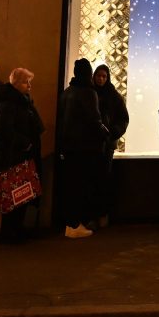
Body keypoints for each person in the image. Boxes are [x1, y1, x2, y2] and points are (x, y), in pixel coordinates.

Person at [0, 67, 44, 245]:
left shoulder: (23, 102)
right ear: (16, 84)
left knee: (21, 196)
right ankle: (9, 232)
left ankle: (16, 230)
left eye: (29, 82)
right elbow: (4, 130)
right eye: (25, 82)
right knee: (12, 196)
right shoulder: (8, 104)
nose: (29, 86)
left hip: (21, 156)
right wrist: (25, 143)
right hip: (12, 157)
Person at [57, 58, 108, 239]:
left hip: (68, 148)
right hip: (85, 148)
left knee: (71, 187)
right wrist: (106, 133)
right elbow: (94, 120)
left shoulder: (67, 92)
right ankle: (75, 224)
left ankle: (70, 223)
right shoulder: (88, 93)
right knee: (81, 187)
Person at [92, 63, 129, 226]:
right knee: (94, 180)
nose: (101, 79)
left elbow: (123, 119)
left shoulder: (114, 96)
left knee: (104, 179)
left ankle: (102, 214)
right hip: (92, 144)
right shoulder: (90, 94)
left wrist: (113, 133)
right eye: (98, 76)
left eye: (104, 76)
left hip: (107, 145)